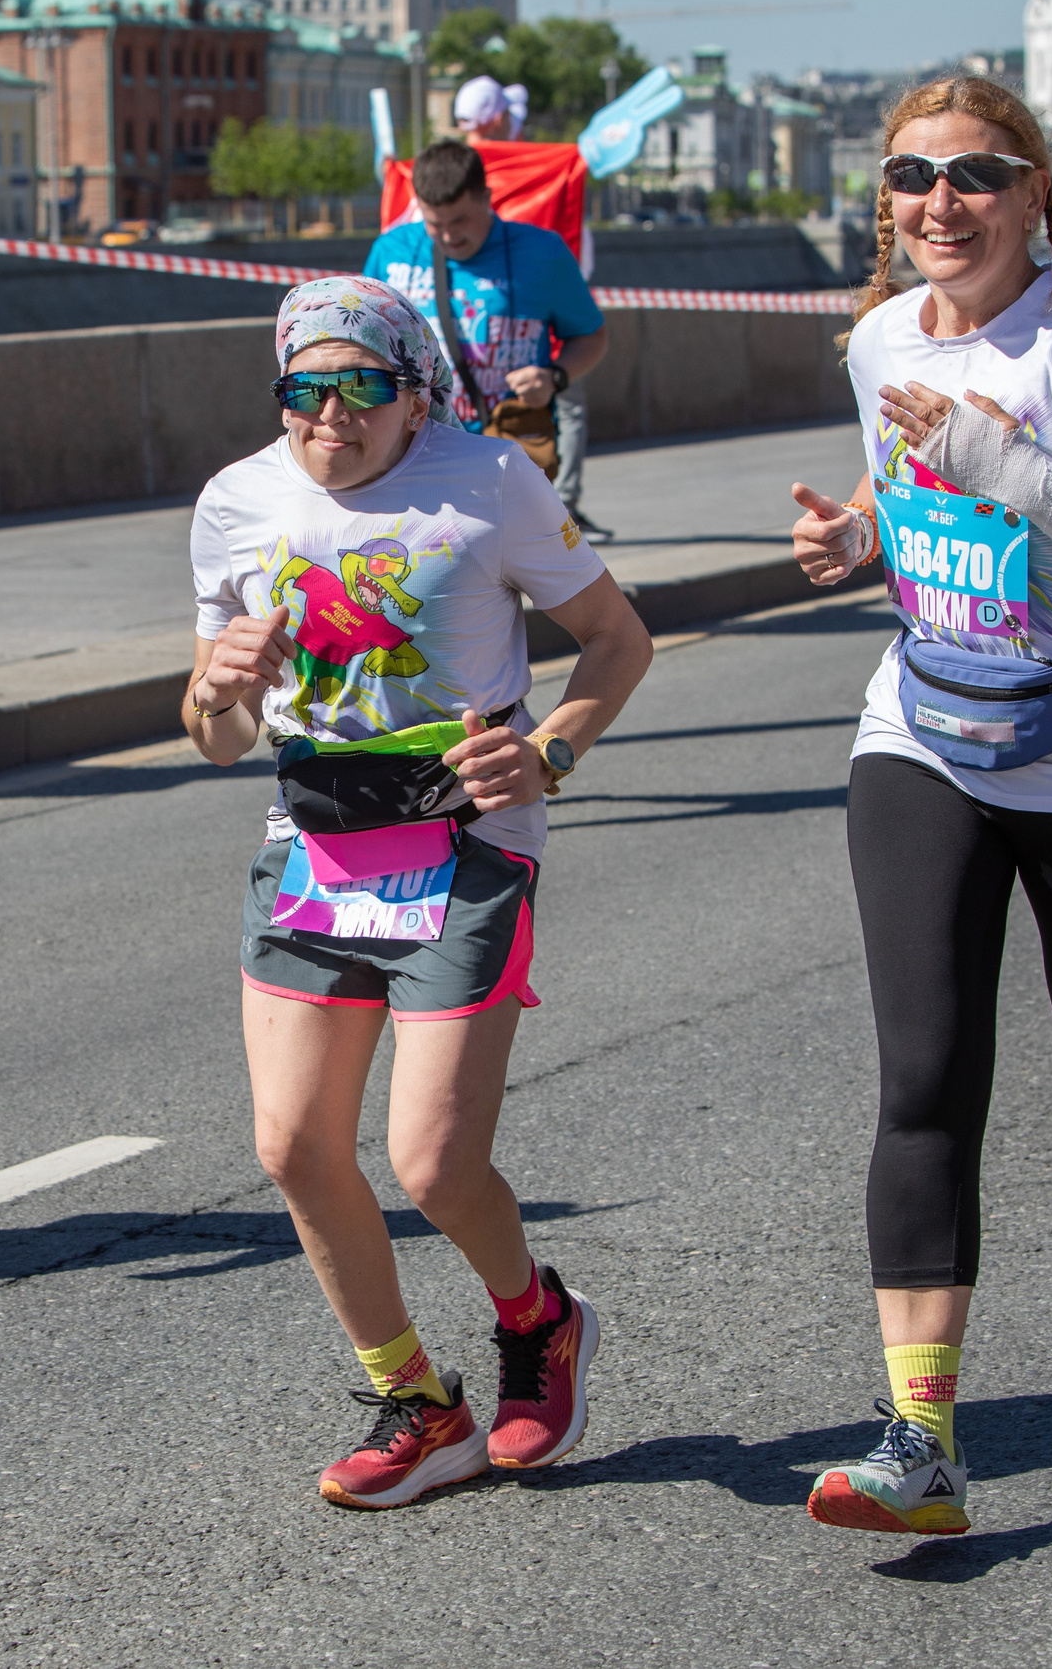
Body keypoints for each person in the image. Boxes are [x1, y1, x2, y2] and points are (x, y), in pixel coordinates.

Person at [786, 74, 1052, 1537]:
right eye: (914, 176)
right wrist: (862, 527)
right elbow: (906, 462)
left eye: (977, 175)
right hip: (926, 728)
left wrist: (1015, 469)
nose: (941, 204)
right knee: (927, 1071)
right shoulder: (880, 336)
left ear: (1038, 192)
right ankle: (920, 1435)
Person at [187, 276, 652, 1509]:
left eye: (362, 387)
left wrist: (546, 749)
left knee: (435, 1164)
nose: (330, 415)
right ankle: (420, 1404)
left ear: (414, 392)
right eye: (304, 388)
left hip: (465, 840)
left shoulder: (488, 482)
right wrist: (216, 690)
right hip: (315, 844)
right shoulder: (236, 503)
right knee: (291, 1146)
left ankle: (537, 1322)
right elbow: (213, 736)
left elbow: (618, 640)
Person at [364, 141, 613, 542]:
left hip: (505, 454)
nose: (448, 235)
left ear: (487, 198)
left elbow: (591, 335)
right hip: (417, 454)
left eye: (459, 220)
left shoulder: (542, 252)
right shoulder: (391, 251)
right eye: (434, 223)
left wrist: (555, 377)